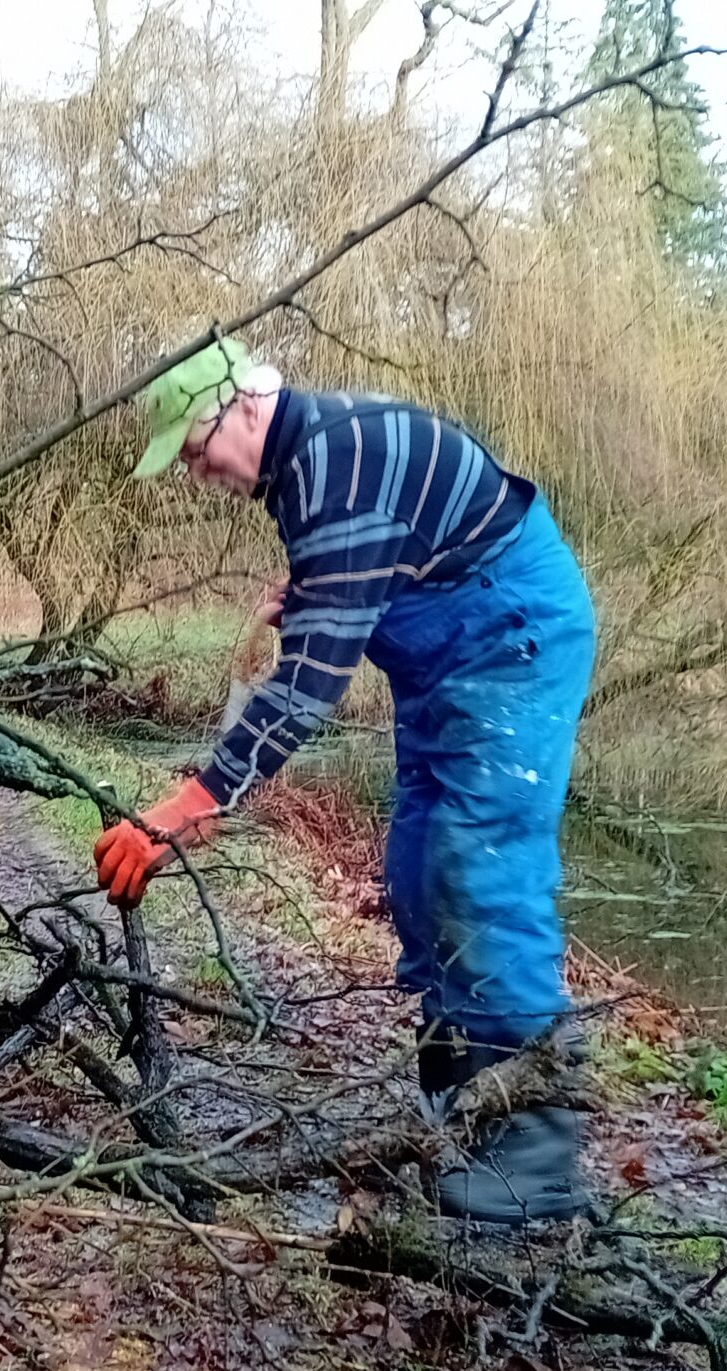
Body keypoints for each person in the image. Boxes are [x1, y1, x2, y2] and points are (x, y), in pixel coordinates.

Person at [92, 338, 598, 1224]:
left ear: (244, 405)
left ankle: (537, 1153)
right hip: (453, 654)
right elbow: (388, 561)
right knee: (415, 865)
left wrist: (194, 802)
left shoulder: (331, 464)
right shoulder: (304, 466)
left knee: (479, 867)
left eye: (196, 447)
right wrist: (335, 590)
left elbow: (309, 686)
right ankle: (462, 1105)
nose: (196, 471)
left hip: (510, 638)